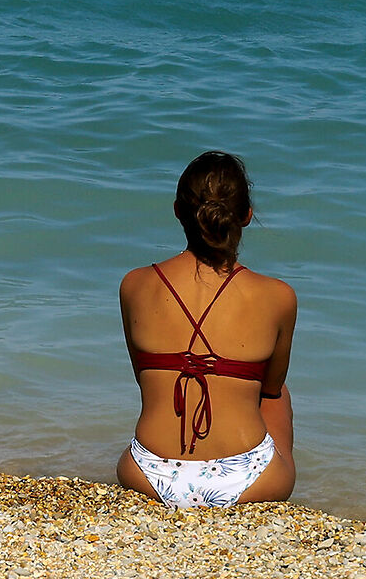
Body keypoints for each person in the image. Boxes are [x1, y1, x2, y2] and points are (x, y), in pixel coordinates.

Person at [116, 151, 297, 508]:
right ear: (245, 215)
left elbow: (143, 377)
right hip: (250, 480)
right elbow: (271, 389)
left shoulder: (134, 284)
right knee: (277, 392)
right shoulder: (279, 295)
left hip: (148, 473)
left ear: (178, 211)